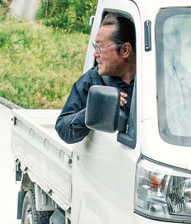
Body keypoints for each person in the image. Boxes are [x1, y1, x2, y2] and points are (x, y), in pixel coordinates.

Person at [55, 12, 136, 144]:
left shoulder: (155, 80)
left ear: (124, 50)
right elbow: (63, 129)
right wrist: (95, 109)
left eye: (99, 47)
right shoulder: (92, 80)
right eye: (95, 47)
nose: (95, 54)